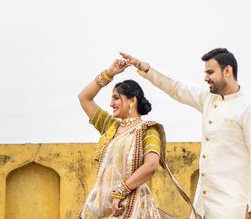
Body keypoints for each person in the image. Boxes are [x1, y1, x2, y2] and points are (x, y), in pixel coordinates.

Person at [120, 48, 251, 219]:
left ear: (227, 71)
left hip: (231, 205)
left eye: (210, 72)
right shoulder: (209, 99)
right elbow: (178, 88)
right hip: (203, 203)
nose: (206, 78)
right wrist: (146, 69)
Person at [77, 59, 199, 218]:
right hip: (100, 206)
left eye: (116, 98)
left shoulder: (148, 130)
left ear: (132, 101)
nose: (111, 103)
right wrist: (109, 74)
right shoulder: (110, 127)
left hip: (131, 205)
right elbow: (84, 97)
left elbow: (151, 165)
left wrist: (121, 191)